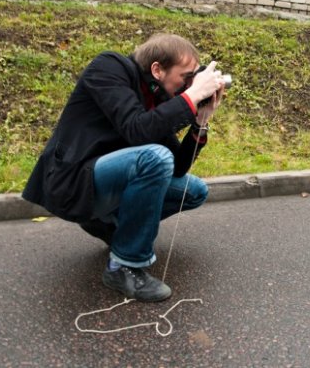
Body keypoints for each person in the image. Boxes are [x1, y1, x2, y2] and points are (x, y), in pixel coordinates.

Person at [23, 34, 226, 302]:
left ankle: (110, 226)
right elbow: (137, 129)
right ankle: (124, 265)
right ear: (157, 69)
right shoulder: (109, 68)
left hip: (108, 182)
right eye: (186, 77)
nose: (188, 85)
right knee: (154, 158)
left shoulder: (159, 99)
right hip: (74, 182)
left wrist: (200, 120)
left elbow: (176, 169)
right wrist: (192, 95)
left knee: (194, 190)